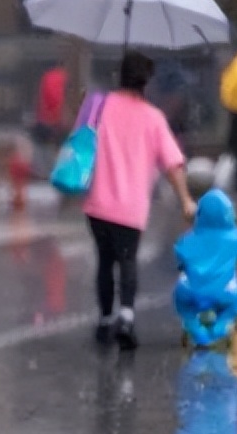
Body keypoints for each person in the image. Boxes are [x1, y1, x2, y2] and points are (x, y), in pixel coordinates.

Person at [82, 51, 197, 350]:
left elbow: (82, 143)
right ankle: (127, 317)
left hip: (98, 202)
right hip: (130, 207)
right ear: (147, 82)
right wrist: (185, 198)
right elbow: (172, 163)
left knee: (105, 262)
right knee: (127, 260)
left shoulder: (99, 107)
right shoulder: (153, 118)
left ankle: (105, 320)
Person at [173, 189, 237, 348]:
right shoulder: (236, 239)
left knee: (183, 301)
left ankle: (193, 326)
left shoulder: (187, 240)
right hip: (224, 292)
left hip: (190, 291)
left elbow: (181, 262)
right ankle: (222, 326)